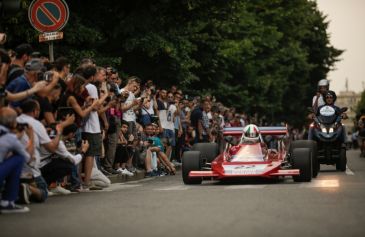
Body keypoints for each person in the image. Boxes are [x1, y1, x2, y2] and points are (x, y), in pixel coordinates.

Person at [0, 107, 31, 213]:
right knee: (19, 158)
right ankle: (7, 202)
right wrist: (31, 137)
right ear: (13, 123)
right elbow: (27, 158)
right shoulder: (11, 138)